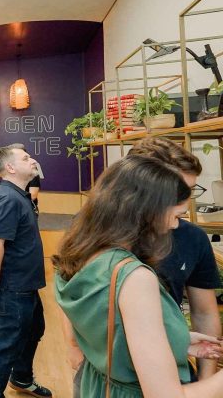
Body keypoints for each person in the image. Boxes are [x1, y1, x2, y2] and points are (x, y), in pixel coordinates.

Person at [55, 155, 223, 397]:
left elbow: (111, 330)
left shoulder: (85, 255)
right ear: (148, 211)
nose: (176, 226)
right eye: (176, 216)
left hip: (98, 385)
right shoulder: (135, 278)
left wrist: (178, 339)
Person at [0, 145, 51, 398]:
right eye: (26, 158)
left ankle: (21, 377)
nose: (33, 160)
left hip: (26, 283)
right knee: (7, 345)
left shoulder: (19, 195)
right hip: (14, 287)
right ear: (10, 167)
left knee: (35, 329)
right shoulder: (8, 198)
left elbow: (3, 241)